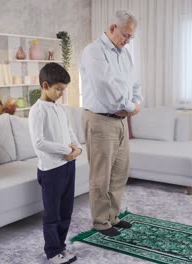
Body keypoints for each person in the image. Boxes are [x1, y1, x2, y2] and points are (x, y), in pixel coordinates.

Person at [79, 9, 143, 237]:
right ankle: (99, 221)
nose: (127, 41)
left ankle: (112, 216)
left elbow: (134, 83)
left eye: (131, 37)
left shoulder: (124, 54)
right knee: (101, 175)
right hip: (99, 120)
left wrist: (136, 101)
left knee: (120, 171)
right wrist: (129, 106)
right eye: (125, 35)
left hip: (119, 121)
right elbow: (106, 88)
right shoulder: (93, 51)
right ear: (113, 27)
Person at [29, 62, 82, 264]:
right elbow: (39, 143)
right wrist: (67, 150)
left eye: (63, 89)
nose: (61, 93)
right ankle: (52, 251)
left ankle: (61, 246)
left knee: (66, 211)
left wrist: (78, 149)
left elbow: (70, 132)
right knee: (52, 214)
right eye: (58, 89)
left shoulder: (60, 109)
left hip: (68, 166)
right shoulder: (37, 111)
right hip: (51, 170)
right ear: (45, 85)